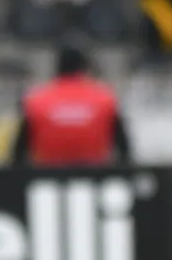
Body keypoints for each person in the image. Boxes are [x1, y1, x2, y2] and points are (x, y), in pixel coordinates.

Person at [11, 39, 131, 167]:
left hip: (47, 174)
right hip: (95, 175)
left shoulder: (35, 100)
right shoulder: (105, 98)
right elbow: (124, 148)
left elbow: (18, 152)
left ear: (57, 67)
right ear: (84, 67)